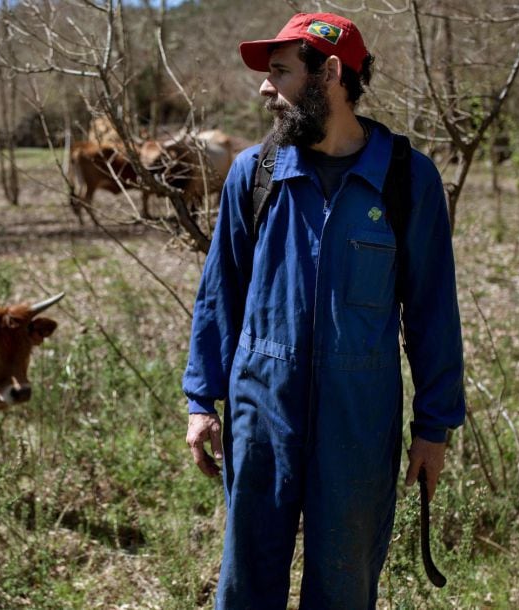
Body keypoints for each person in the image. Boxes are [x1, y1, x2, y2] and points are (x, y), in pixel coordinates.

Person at [182, 12, 466, 608]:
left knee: (343, 586)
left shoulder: (405, 179)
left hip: (359, 418)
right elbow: (219, 295)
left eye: (280, 72)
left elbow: (433, 310)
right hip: (262, 412)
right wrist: (200, 400)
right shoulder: (253, 175)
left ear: (331, 72)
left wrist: (433, 427)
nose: (265, 87)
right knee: (246, 583)